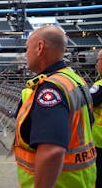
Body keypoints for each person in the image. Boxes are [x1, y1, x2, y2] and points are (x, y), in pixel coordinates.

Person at [14, 25, 96, 188]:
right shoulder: (74, 79)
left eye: (27, 48)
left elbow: (52, 151)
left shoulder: (50, 90)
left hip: (60, 182)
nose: (25, 54)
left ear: (39, 48)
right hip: (80, 178)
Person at [90, 49, 102, 187]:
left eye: (98, 60)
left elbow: (85, 102)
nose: (97, 64)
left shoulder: (100, 86)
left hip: (99, 144)